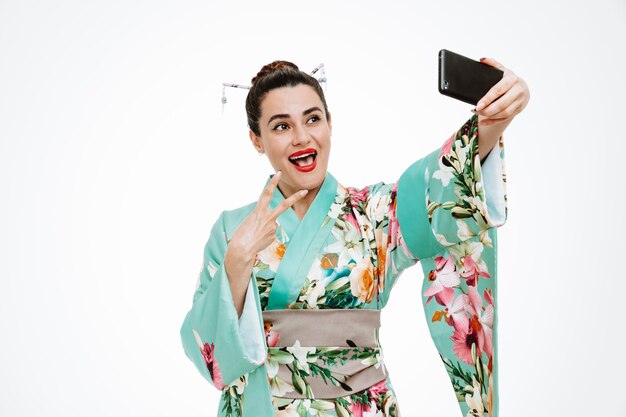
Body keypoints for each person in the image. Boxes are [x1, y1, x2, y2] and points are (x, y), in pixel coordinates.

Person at [180, 59, 530, 417]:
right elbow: (210, 360)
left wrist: (492, 123)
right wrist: (237, 261)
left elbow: (438, 191)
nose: (302, 136)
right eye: (281, 126)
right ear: (257, 139)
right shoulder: (231, 231)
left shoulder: (373, 214)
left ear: (330, 124)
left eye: (313, 119)